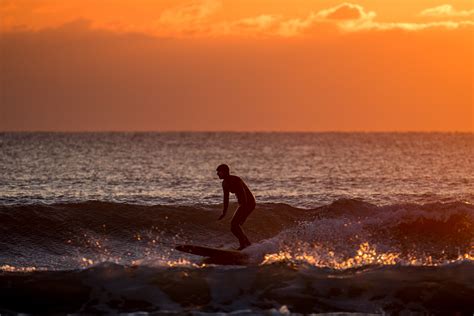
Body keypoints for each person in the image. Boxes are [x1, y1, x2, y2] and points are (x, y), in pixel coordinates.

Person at [216, 164, 256, 250]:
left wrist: (243, 211)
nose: (217, 174)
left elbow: (243, 194)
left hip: (249, 203)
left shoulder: (235, 180)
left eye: (219, 172)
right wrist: (224, 212)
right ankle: (247, 245)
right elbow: (225, 198)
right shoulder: (224, 183)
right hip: (242, 204)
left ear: (225, 172)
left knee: (234, 225)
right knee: (235, 226)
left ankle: (244, 245)